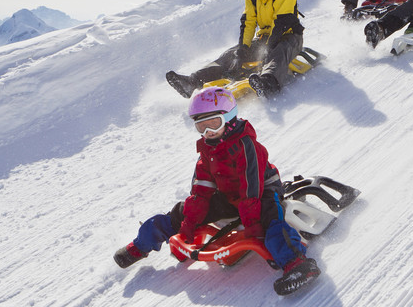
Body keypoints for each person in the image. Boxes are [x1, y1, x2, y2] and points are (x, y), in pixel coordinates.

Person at [113, 87, 320, 296]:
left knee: (270, 219)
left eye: (213, 124)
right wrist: (188, 223)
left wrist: (254, 227)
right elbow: (201, 190)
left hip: (261, 190)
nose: (207, 132)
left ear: (229, 118)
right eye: (201, 126)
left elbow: (251, 190)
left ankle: (298, 265)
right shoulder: (207, 149)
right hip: (229, 195)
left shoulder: (246, 145)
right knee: (180, 212)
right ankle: (141, 245)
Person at [166, 0, 304, 98]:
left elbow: (281, 24)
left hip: (289, 37)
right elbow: (248, 24)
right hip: (265, 38)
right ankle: (192, 82)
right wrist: (243, 48)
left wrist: (268, 48)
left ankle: (268, 83)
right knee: (231, 54)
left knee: (278, 53)